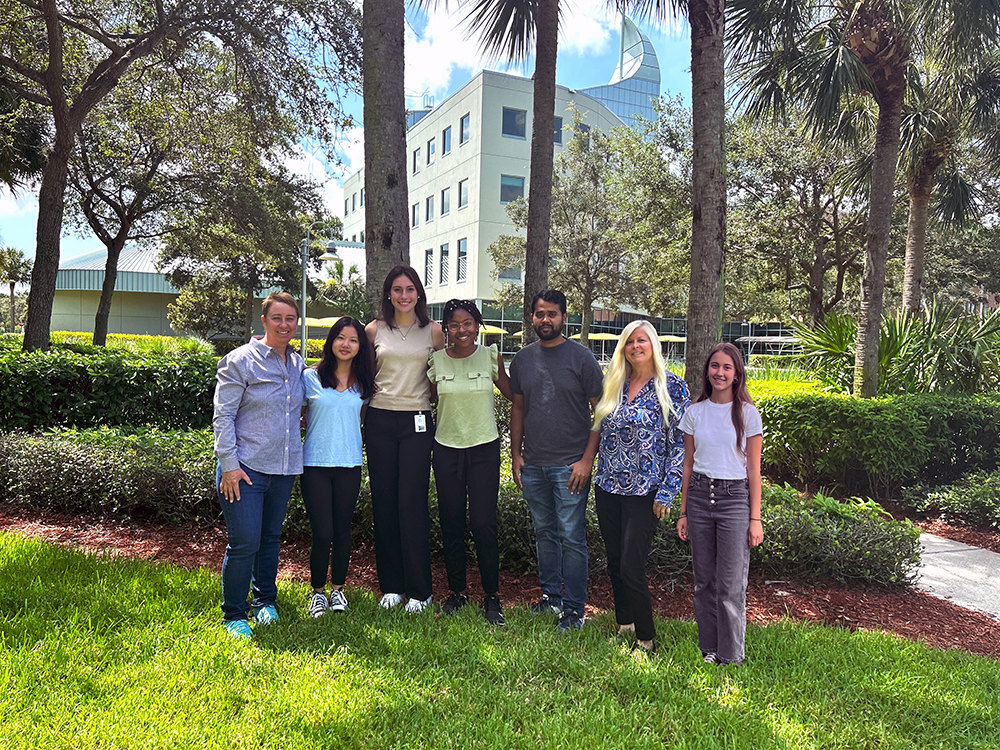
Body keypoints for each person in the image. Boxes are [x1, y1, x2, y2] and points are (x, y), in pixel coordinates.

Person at [592, 320, 689, 654]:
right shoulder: (614, 383)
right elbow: (601, 432)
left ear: (653, 346)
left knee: (632, 565)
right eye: (630, 341)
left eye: (642, 340)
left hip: (645, 492)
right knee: (615, 560)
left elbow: (681, 446)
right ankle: (625, 624)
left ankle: (646, 639)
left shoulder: (672, 387)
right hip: (607, 487)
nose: (635, 346)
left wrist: (668, 490)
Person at [509, 289, 603, 633]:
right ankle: (551, 597)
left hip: (570, 467)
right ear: (532, 318)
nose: (545, 320)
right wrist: (516, 455)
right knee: (544, 533)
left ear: (564, 317)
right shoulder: (522, 360)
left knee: (571, 536)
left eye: (551, 314)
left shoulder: (581, 358)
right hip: (533, 465)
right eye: (539, 314)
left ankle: (575, 609)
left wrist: (586, 460)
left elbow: (601, 410)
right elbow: (518, 408)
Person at [213, 291, 305, 639]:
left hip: (283, 468)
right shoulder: (240, 361)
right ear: (263, 321)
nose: (284, 325)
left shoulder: (296, 364)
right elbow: (222, 416)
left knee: (269, 538)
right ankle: (234, 613)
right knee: (245, 541)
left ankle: (265, 601)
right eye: (277, 318)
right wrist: (229, 466)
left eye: (290, 319)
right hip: (244, 469)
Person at [677, 342, 764, 666]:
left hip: (733, 502)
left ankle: (732, 655)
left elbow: (754, 470)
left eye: (727, 367)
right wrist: (683, 511)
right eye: (715, 366)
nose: (720, 372)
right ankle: (710, 650)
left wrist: (755, 519)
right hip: (699, 498)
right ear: (707, 371)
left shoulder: (747, 415)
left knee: (730, 585)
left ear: (737, 374)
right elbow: (687, 464)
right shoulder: (694, 413)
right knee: (705, 583)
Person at [364, 266, 445, 613]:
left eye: (410, 289)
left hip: (417, 421)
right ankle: (392, 587)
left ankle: (420, 590)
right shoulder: (373, 329)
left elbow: (440, 378)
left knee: (410, 504)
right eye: (397, 290)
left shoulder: (435, 331)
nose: (404, 295)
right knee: (384, 504)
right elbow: (360, 371)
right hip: (380, 419)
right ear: (388, 294)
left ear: (419, 294)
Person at [429, 299, 513, 625]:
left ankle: (492, 596)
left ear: (477, 325)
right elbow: (426, 398)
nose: (461, 330)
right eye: (454, 324)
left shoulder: (490, 356)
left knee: (482, 521)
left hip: (484, 448)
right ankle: (457, 592)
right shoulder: (436, 362)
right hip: (446, 448)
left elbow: (513, 394)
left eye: (467, 323)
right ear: (446, 329)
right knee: (451, 520)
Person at [301, 317, 374, 618]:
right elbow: (298, 418)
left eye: (353, 340)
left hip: (349, 464)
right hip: (315, 464)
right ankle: (317, 593)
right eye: (341, 338)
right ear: (331, 342)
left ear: (360, 346)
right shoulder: (310, 377)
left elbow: (365, 421)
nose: (346, 344)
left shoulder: (365, 385)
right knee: (322, 531)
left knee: (343, 531)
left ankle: (338, 591)